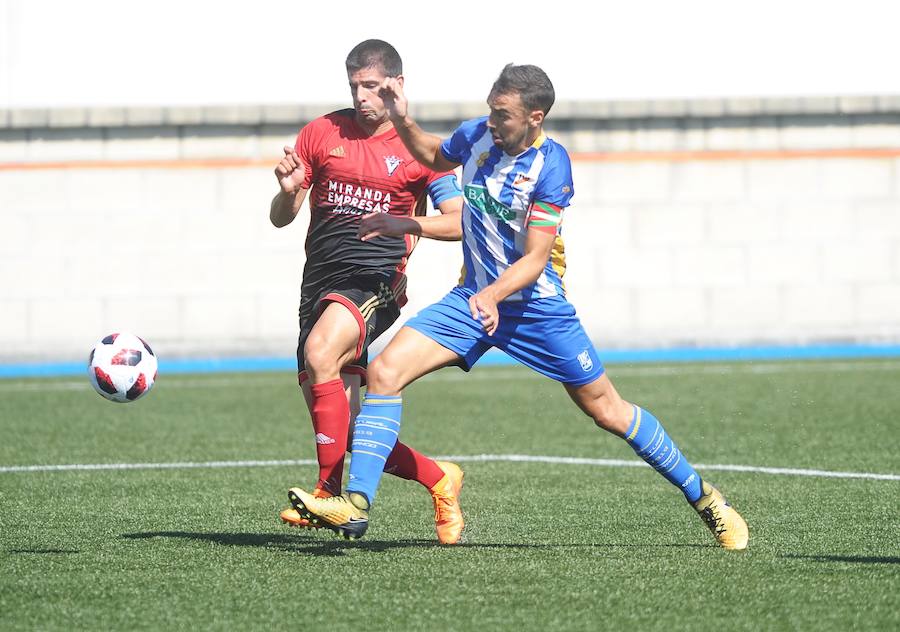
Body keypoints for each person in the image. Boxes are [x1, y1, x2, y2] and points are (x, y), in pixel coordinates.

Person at [288, 63, 749, 550]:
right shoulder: (477, 134)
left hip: (536, 310)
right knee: (383, 373)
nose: (492, 122)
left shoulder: (552, 166)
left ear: (534, 117)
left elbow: (534, 259)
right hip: (470, 300)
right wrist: (403, 122)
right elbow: (432, 156)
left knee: (609, 411)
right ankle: (355, 506)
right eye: (490, 110)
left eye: (502, 115)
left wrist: (493, 294)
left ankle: (706, 500)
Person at [270, 39, 465, 545]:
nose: (361, 97)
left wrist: (402, 222)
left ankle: (329, 492)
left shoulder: (424, 150)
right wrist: (289, 192)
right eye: (355, 86)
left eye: (372, 87)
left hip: (376, 281)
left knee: (320, 352)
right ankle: (439, 479)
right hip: (319, 282)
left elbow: (458, 222)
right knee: (351, 431)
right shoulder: (320, 132)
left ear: (396, 86)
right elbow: (280, 219)